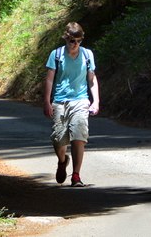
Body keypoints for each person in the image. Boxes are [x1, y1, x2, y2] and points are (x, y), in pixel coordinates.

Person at [43, 22, 99, 187]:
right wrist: (47, 101)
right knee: (59, 140)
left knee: (79, 137)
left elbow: (92, 79)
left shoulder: (87, 55)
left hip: (81, 101)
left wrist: (95, 101)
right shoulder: (56, 54)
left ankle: (76, 175)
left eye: (78, 41)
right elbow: (49, 79)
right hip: (60, 101)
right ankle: (62, 161)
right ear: (66, 39)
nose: (75, 45)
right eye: (72, 41)